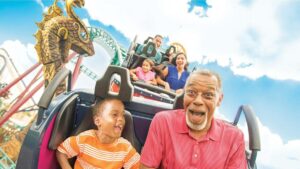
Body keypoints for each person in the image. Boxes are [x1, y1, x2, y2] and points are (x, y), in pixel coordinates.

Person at [140, 69, 247, 169]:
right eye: (191, 92)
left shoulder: (235, 138)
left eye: (208, 95)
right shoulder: (163, 121)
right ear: (184, 95)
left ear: (219, 100)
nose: (198, 101)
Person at [56, 98, 140, 169]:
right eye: (115, 115)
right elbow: (61, 152)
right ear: (98, 121)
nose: (121, 119)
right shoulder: (84, 139)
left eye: (122, 115)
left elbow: (139, 166)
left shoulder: (125, 148)